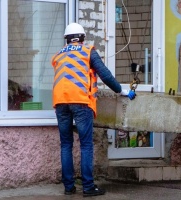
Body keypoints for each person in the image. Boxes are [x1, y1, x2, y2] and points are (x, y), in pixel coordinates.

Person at [51, 22, 136, 197]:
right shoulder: (88, 51)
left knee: (66, 144)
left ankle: (69, 187)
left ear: (66, 39)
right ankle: (88, 187)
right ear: (82, 38)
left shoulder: (58, 55)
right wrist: (123, 91)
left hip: (60, 102)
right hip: (81, 101)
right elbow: (105, 75)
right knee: (86, 145)